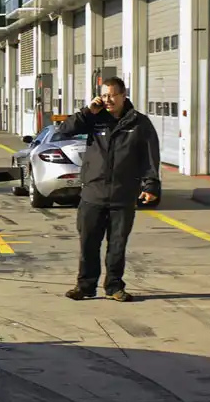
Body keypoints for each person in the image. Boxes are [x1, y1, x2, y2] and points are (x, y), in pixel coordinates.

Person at [58, 76, 161, 302]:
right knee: (88, 244)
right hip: (93, 194)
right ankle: (85, 286)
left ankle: (114, 286)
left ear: (124, 95)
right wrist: (88, 112)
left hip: (122, 195)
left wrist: (151, 184)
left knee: (117, 245)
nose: (108, 100)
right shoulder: (94, 119)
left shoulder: (139, 123)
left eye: (113, 95)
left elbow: (150, 156)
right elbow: (64, 130)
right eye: (104, 95)